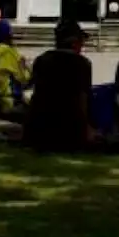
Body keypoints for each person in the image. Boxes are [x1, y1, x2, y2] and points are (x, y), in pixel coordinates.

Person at [24, 20, 95, 152]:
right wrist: (87, 128)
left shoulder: (42, 60)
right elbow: (83, 99)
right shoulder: (82, 63)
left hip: (40, 130)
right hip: (70, 131)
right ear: (74, 43)